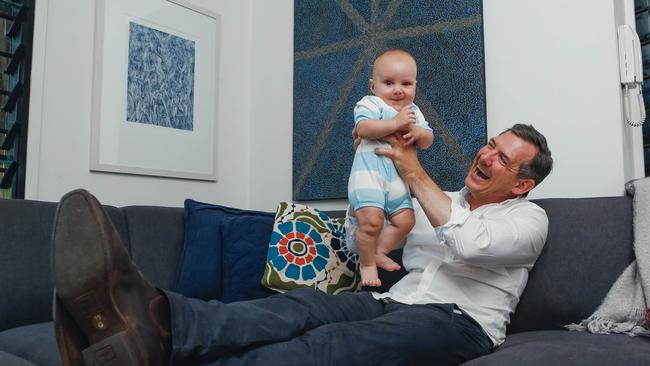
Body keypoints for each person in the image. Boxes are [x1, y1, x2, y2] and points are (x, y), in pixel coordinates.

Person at [51, 123, 553, 366]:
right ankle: (153, 317)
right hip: (390, 300)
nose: (486, 155)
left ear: (521, 184)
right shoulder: (434, 197)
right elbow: (373, 220)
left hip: (459, 323)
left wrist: (411, 168)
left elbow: (465, 242)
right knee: (299, 307)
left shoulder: (530, 219)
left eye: (503, 159)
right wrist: (373, 170)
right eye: (490, 143)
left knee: (332, 347)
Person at [347, 49, 433, 287]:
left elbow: (427, 140)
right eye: (388, 83)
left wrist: (418, 133)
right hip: (368, 175)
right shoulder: (371, 103)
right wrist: (395, 123)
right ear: (373, 86)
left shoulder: (414, 111)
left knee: (406, 221)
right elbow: (363, 130)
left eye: (406, 83)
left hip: (396, 179)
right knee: (372, 222)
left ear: (415, 86)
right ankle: (367, 265)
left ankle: (379, 251)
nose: (398, 90)